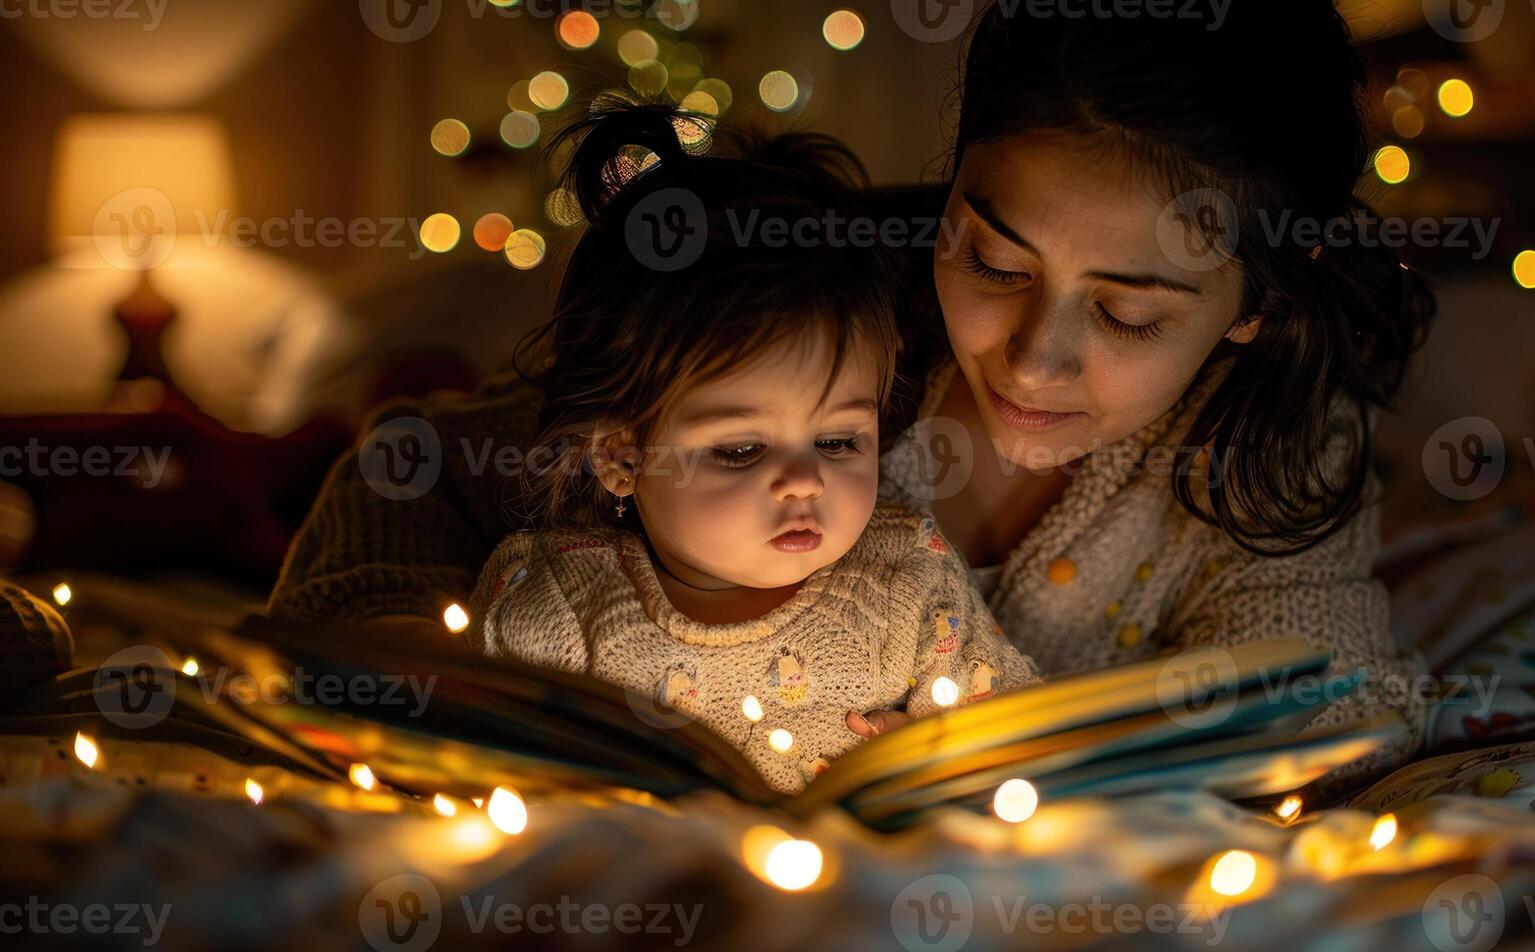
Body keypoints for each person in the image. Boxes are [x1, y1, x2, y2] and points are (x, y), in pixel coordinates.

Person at [271, 1, 1435, 786]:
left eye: (1129, 314)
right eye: (990, 257)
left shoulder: (1265, 448)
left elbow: (1338, 706)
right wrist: (422, 652)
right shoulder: (821, 326)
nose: (1032, 358)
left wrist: (1028, 759)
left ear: (1253, 303)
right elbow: (408, 467)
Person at [463, 101, 1037, 793]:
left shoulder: (906, 581)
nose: (803, 482)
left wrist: (950, 762)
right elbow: (485, 776)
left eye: (836, 439)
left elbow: (1022, 738)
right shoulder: (554, 604)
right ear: (620, 456)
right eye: (739, 450)